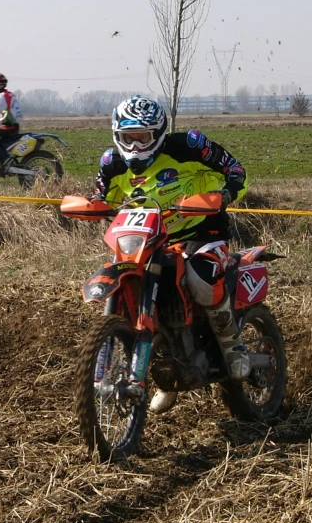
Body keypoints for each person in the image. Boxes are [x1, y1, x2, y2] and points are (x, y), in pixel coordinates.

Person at [90, 96, 250, 414]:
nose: (135, 147)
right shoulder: (112, 163)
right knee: (132, 293)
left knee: (201, 279)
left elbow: (234, 168)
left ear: (159, 134)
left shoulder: (188, 146)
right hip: (146, 240)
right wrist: (90, 206)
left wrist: (226, 192)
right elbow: (99, 195)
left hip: (201, 233)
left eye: (143, 137)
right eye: (128, 138)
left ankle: (231, 342)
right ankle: (166, 373)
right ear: (116, 136)